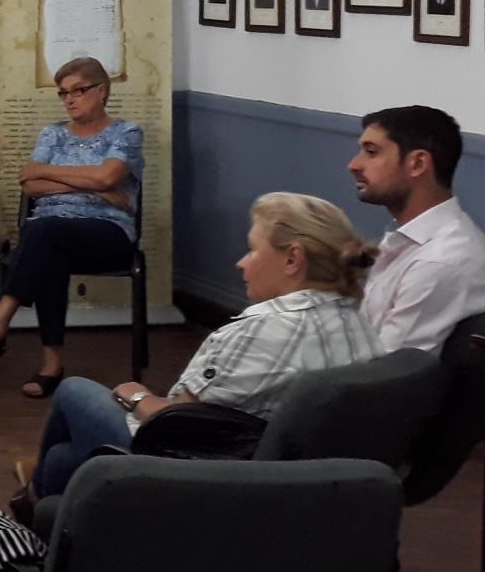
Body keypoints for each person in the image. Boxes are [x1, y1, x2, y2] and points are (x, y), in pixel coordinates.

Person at [22, 194, 387, 501]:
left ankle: (39, 513)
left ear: (292, 259)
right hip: (300, 479)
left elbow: (175, 421)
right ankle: (44, 504)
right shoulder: (359, 323)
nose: (241, 263)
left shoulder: (263, 330)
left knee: (73, 391)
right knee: (61, 459)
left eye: (251, 250)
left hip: (200, 472)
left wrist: (135, 396)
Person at [0, 56, 142, 398]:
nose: (69, 99)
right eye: (63, 93)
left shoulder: (126, 132)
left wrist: (53, 174)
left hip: (107, 232)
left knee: (43, 232)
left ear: (102, 91)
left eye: (78, 90)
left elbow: (107, 176)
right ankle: (51, 365)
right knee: (48, 242)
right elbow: (30, 184)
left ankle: (0, 320)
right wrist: (95, 186)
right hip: (52, 234)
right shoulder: (52, 133)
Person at [351, 105, 485, 352]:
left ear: (417, 163)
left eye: (371, 152)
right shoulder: (407, 239)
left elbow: (387, 369)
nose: (354, 165)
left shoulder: (440, 261)